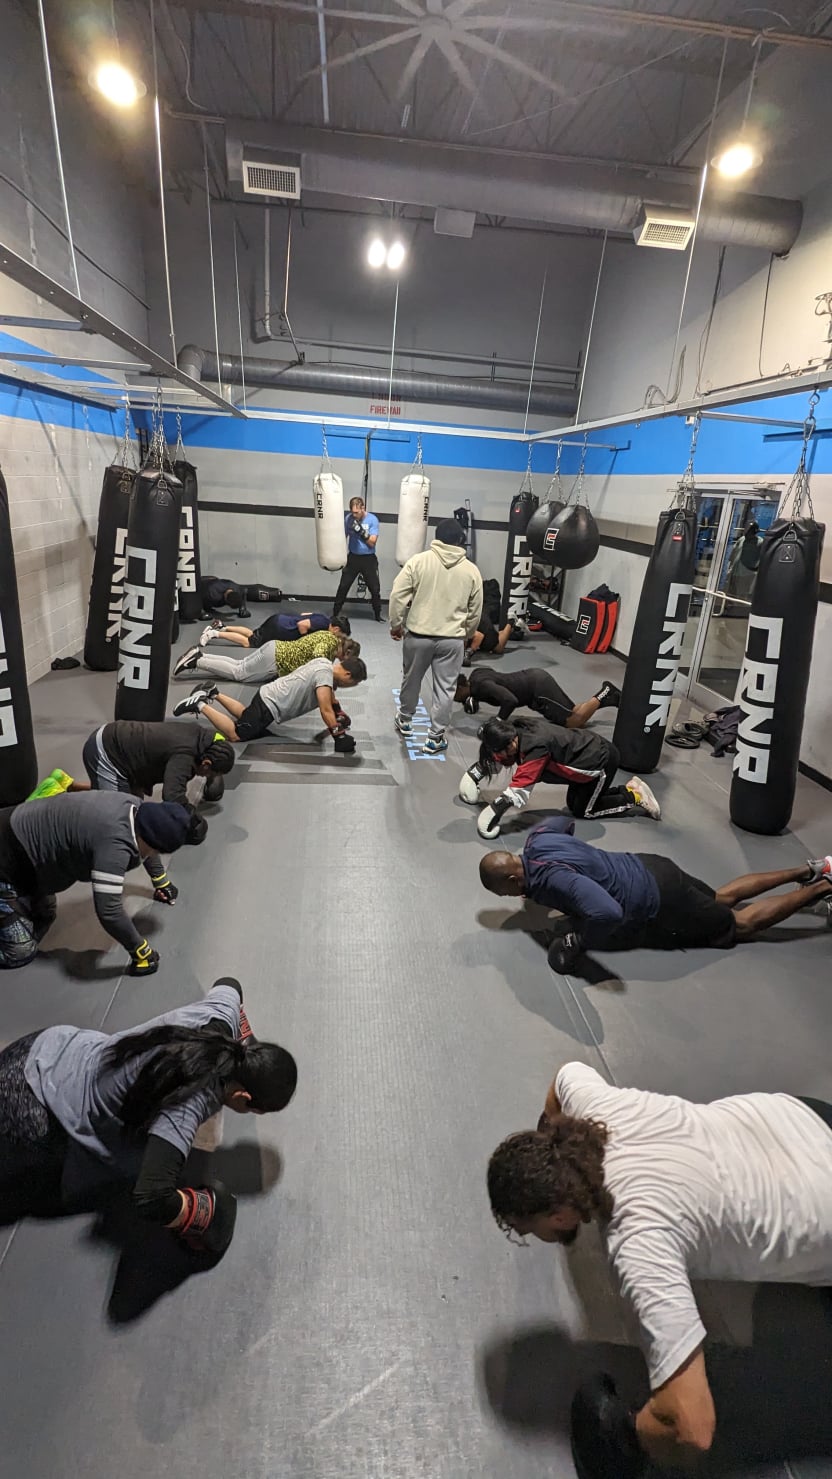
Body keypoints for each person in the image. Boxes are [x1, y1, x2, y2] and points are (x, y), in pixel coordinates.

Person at [488, 1063, 832, 1476]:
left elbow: (692, 1427)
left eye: (530, 1229)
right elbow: (564, 1076)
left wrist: (627, 1432)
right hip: (803, 1118)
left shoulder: (638, 1238)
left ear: (559, 1217)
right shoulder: (593, 1103)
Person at [0, 977, 296, 1261]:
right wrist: (198, 1212)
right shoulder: (187, 1104)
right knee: (102, 1167)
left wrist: (251, 1055)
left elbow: (230, 984)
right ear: (243, 1097)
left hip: (51, 1045)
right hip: (27, 1103)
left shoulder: (221, 1014)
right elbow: (151, 1196)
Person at [479, 817, 832, 970]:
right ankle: (813, 868)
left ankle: (826, 885)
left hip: (658, 897)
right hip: (650, 865)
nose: (508, 898)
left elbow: (608, 913)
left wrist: (578, 940)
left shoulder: (554, 880)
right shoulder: (537, 840)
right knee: (720, 898)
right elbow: (565, 824)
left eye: (504, 892)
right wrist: (583, 863)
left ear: (512, 878)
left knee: (739, 924)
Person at [0, 792, 193, 974]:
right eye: (155, 850)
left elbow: (151, 839)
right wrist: (140, 951)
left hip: (20, 843)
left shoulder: (136, 809)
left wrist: (160, 881)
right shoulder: (114, 846)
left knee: (44, 913)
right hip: (7, 862)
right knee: (20, 952)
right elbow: (109, 911)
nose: (153, 855)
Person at [460, 716, 660, 836]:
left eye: (507, 746)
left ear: (509, 741)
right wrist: (475, 774)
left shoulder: (536, 747)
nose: (510, 747)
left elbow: (518, 789)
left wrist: (493, 811)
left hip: (599, 763)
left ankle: (634, 796)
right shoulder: (516, 730)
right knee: (573, 805)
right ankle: (630, 788)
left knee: (585, 811)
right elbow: (499, 757)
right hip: (583, 753)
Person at [389, 517, 483, 755]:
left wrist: (396, 625)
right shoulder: (471, 570)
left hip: (418, 636)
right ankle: (435, 737)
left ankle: (405, 720)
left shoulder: (418, 561)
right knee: (445, 688)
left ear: (436, 537)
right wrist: (467, 634)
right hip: (452, 640)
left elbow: (397, 594)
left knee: (411, 679)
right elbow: (475, 610)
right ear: (460, 540)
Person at [172, 654, 367, 751]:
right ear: (348, 674)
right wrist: (339, 736)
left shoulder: (325, 664)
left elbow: (330, 699)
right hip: (271, 704)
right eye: (354, 683)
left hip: (269, 695)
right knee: (236, 734)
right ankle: (200, 705)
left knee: (246, 715)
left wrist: (339, 713)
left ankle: (214, 693)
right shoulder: (325, 677)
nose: (351, 686)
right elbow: (325, 709)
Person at [81, 720, 234, 810]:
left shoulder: (203, 737)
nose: (206, 777)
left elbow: (219, 737)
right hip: (106, 752)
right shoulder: (184, 758)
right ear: (206, 764)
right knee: (118, 818)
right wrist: (192, 817)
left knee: (136, 808)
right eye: (210, 774)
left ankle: (75, 787)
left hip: (127, 752)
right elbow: (172, 796)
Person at [173, 627, 357, 685]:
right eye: (347, 659)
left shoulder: (329, 636)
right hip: (276, 659)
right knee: (239, 673)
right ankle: (197, 661)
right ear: (347, 652)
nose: (345, 663)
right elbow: (317, 661)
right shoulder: (328, 646)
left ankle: (199, 655)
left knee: (239, 664)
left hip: (275, 647)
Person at [455, 666, 621, 727]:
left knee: (574, 721)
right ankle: (609, 699)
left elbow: (510, 700)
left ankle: (605, 692)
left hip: (537, 687)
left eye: (454, 693)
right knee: (572, 712)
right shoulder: (476, 674)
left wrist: (498, 721)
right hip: (532, 679)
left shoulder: (482, 686)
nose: (452, 697)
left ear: (462, 687)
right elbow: (491, 673)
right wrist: (472, 698)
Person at [332, 497, 382, 621]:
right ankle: (335, 613)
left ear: (363, 508)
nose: (354, 515)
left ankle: (377, 614)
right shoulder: (348, 519)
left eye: (356, 512)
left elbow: (372, 543)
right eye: (352, 512)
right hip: (353, 558)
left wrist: (360, 531)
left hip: (368, 559)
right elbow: (343, 536)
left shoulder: (372, 520)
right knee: (343, 586)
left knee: (374, 588)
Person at [199, 611, 350, 651]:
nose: (337, 637)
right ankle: (213, 634)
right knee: (249, 643)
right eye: (339, 635)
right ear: (336, 628)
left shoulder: (323, 617)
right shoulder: (324, 624)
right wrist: (304, 642)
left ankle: (221, 626)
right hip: (280, 628)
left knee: (253, 634)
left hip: (279, 620)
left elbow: (304, 614)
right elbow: (302, 624)